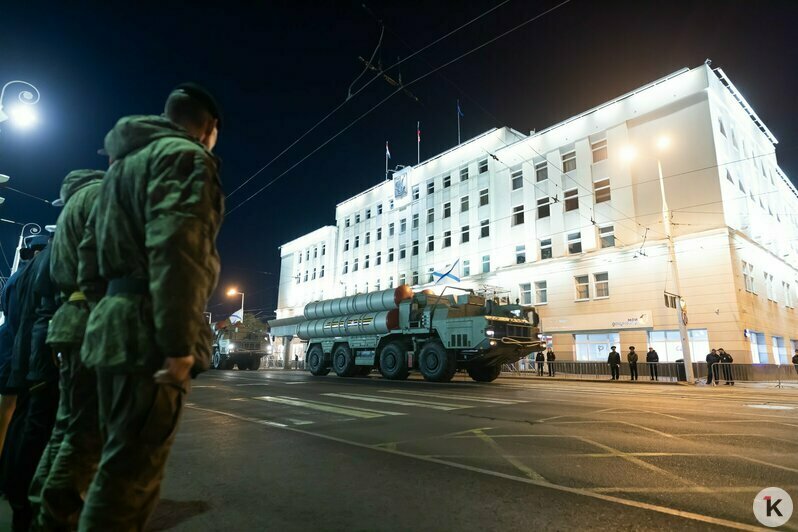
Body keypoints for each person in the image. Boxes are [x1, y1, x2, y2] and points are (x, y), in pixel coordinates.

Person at [77, 83, 223, 531]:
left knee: (112, 462)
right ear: (210, 129)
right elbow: (179, 249)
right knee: (129, 483)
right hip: (149, 335)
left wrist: (107, 311)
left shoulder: (121, 168)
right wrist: (179, 344)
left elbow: (88, 256)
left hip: (111, 327)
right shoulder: (186, 157)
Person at [30, 169, 105, 530]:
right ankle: (56, 517)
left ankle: (38, 504)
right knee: (85, 429)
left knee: (65, 426)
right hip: (88, 321)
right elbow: (106, 263)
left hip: (67, 321)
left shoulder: (69, 211)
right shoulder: (96, 200)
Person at [0, 236, 54, 531]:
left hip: (16, 354)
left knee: (17, 423)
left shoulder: (16, 277)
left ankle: (11, 485)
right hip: (30, 357)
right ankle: (21, 495)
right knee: (29, 426)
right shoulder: (39, 273)